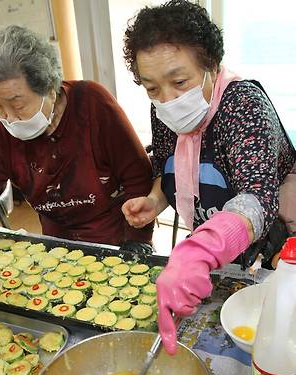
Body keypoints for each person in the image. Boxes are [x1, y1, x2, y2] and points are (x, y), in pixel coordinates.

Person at [120, 0, 296, 354]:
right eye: (152, 88)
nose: (167, 100)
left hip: (269, 256)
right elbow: (168, 166)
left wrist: (199, 250)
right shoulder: (166, 112)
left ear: (211, 67)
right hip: (219, 263)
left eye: (179, 81)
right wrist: (156, 200)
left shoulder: (244, 106)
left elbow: (257, 198)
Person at [0, 25, 154, 251]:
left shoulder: (92, 104)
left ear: (49, 88)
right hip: (57, 244)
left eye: (17, 104)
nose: (8, 116)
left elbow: (137, 175)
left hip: (117, 236)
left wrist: (137, 240)